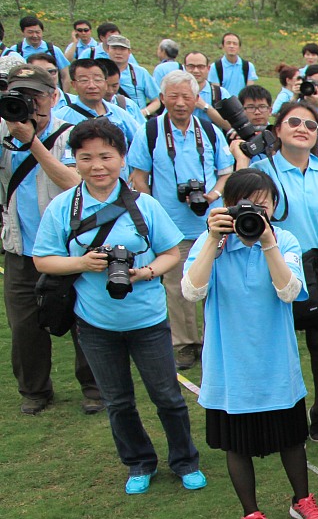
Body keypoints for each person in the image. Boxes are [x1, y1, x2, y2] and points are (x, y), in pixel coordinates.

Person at [32, 119, 206, 495]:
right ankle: (139, 462)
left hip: (148, 319)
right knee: (117, 400)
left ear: (122, 159)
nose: (98, 166)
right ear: (74, 161)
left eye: (106, 156)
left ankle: (185, 460)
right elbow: (43, 260)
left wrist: (146, 272)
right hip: (94, 324)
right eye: (86, 158)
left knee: (167, 397)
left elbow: (171, 253)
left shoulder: (144, 205)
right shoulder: (64, 207)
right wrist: (82, 263)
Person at [181, 167, 318, 519]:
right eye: (245, 204)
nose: (254, 212)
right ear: (227, 207)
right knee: (236, 445)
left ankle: (302, 500)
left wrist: (268, 243)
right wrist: (213, 241)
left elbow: (290, 290)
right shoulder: (209, 242)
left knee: (292, 439)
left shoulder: (286, 240)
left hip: (276, 363)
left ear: (275, 207)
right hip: (230, 367)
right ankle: (251, 515)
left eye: (263, 204)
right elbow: (192, 291)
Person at [239, 99, 318, 442]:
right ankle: (277, 411)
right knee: (273, 348)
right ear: (277, 131)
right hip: (271, 272)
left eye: (310, 125)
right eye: (294, 122)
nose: (302, 129)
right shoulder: (260, 171)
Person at [0, 65, 101, 416]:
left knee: (83, 319)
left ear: (54, 97)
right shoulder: (4, 131)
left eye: (36, 95)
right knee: (25, 325)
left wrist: (33, 144)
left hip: (68, 248)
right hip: (20, 249)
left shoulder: (71, 134)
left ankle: (94, 388)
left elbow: (75, 183)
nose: (29, 103)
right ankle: (34, 390)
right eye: (20, 95)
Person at [127, 70, 234, 370]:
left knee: (216, 283)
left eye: (186, 96)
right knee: (176, 288)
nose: (180, 102)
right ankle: (186, 344)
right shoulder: (149, 131)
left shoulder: (210, 132)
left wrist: (212, 195)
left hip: (210, 224)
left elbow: (226, 173)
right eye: (173, 96)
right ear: (162, 99)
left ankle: (215, 340)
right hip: (169, 226)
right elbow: (139, 176)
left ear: (196, 99)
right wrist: (151, 212)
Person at [53, 59, 141, 146]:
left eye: (98, 80)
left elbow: (141, 141)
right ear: (74, 85)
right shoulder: (60, 117)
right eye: (84, 80)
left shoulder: (120, 114)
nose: (92, 86)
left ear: (105, 83)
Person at [104, 35, 159, 116]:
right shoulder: (99, 71)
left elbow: (156, 101)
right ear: (107, 49)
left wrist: (143, 113)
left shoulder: (141, 73)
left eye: (122, 49)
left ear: (129, 52)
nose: (118, 52)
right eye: (114, 48)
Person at [5, 16, 69, 71]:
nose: (35, 35)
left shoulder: (54, 50)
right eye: (30, 32)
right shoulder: (15, 50)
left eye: (38, 32)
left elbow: (65, 75)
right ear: (22, 32)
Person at [209, 33, 258, 98]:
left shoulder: (248, 66)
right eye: (228, 43)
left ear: (239, 48)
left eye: (235, 44)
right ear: (223, 46)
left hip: (242, 105)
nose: (231, 46)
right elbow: (217, 93)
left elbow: (249, 91)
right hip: (224, 105)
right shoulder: (215, 67)